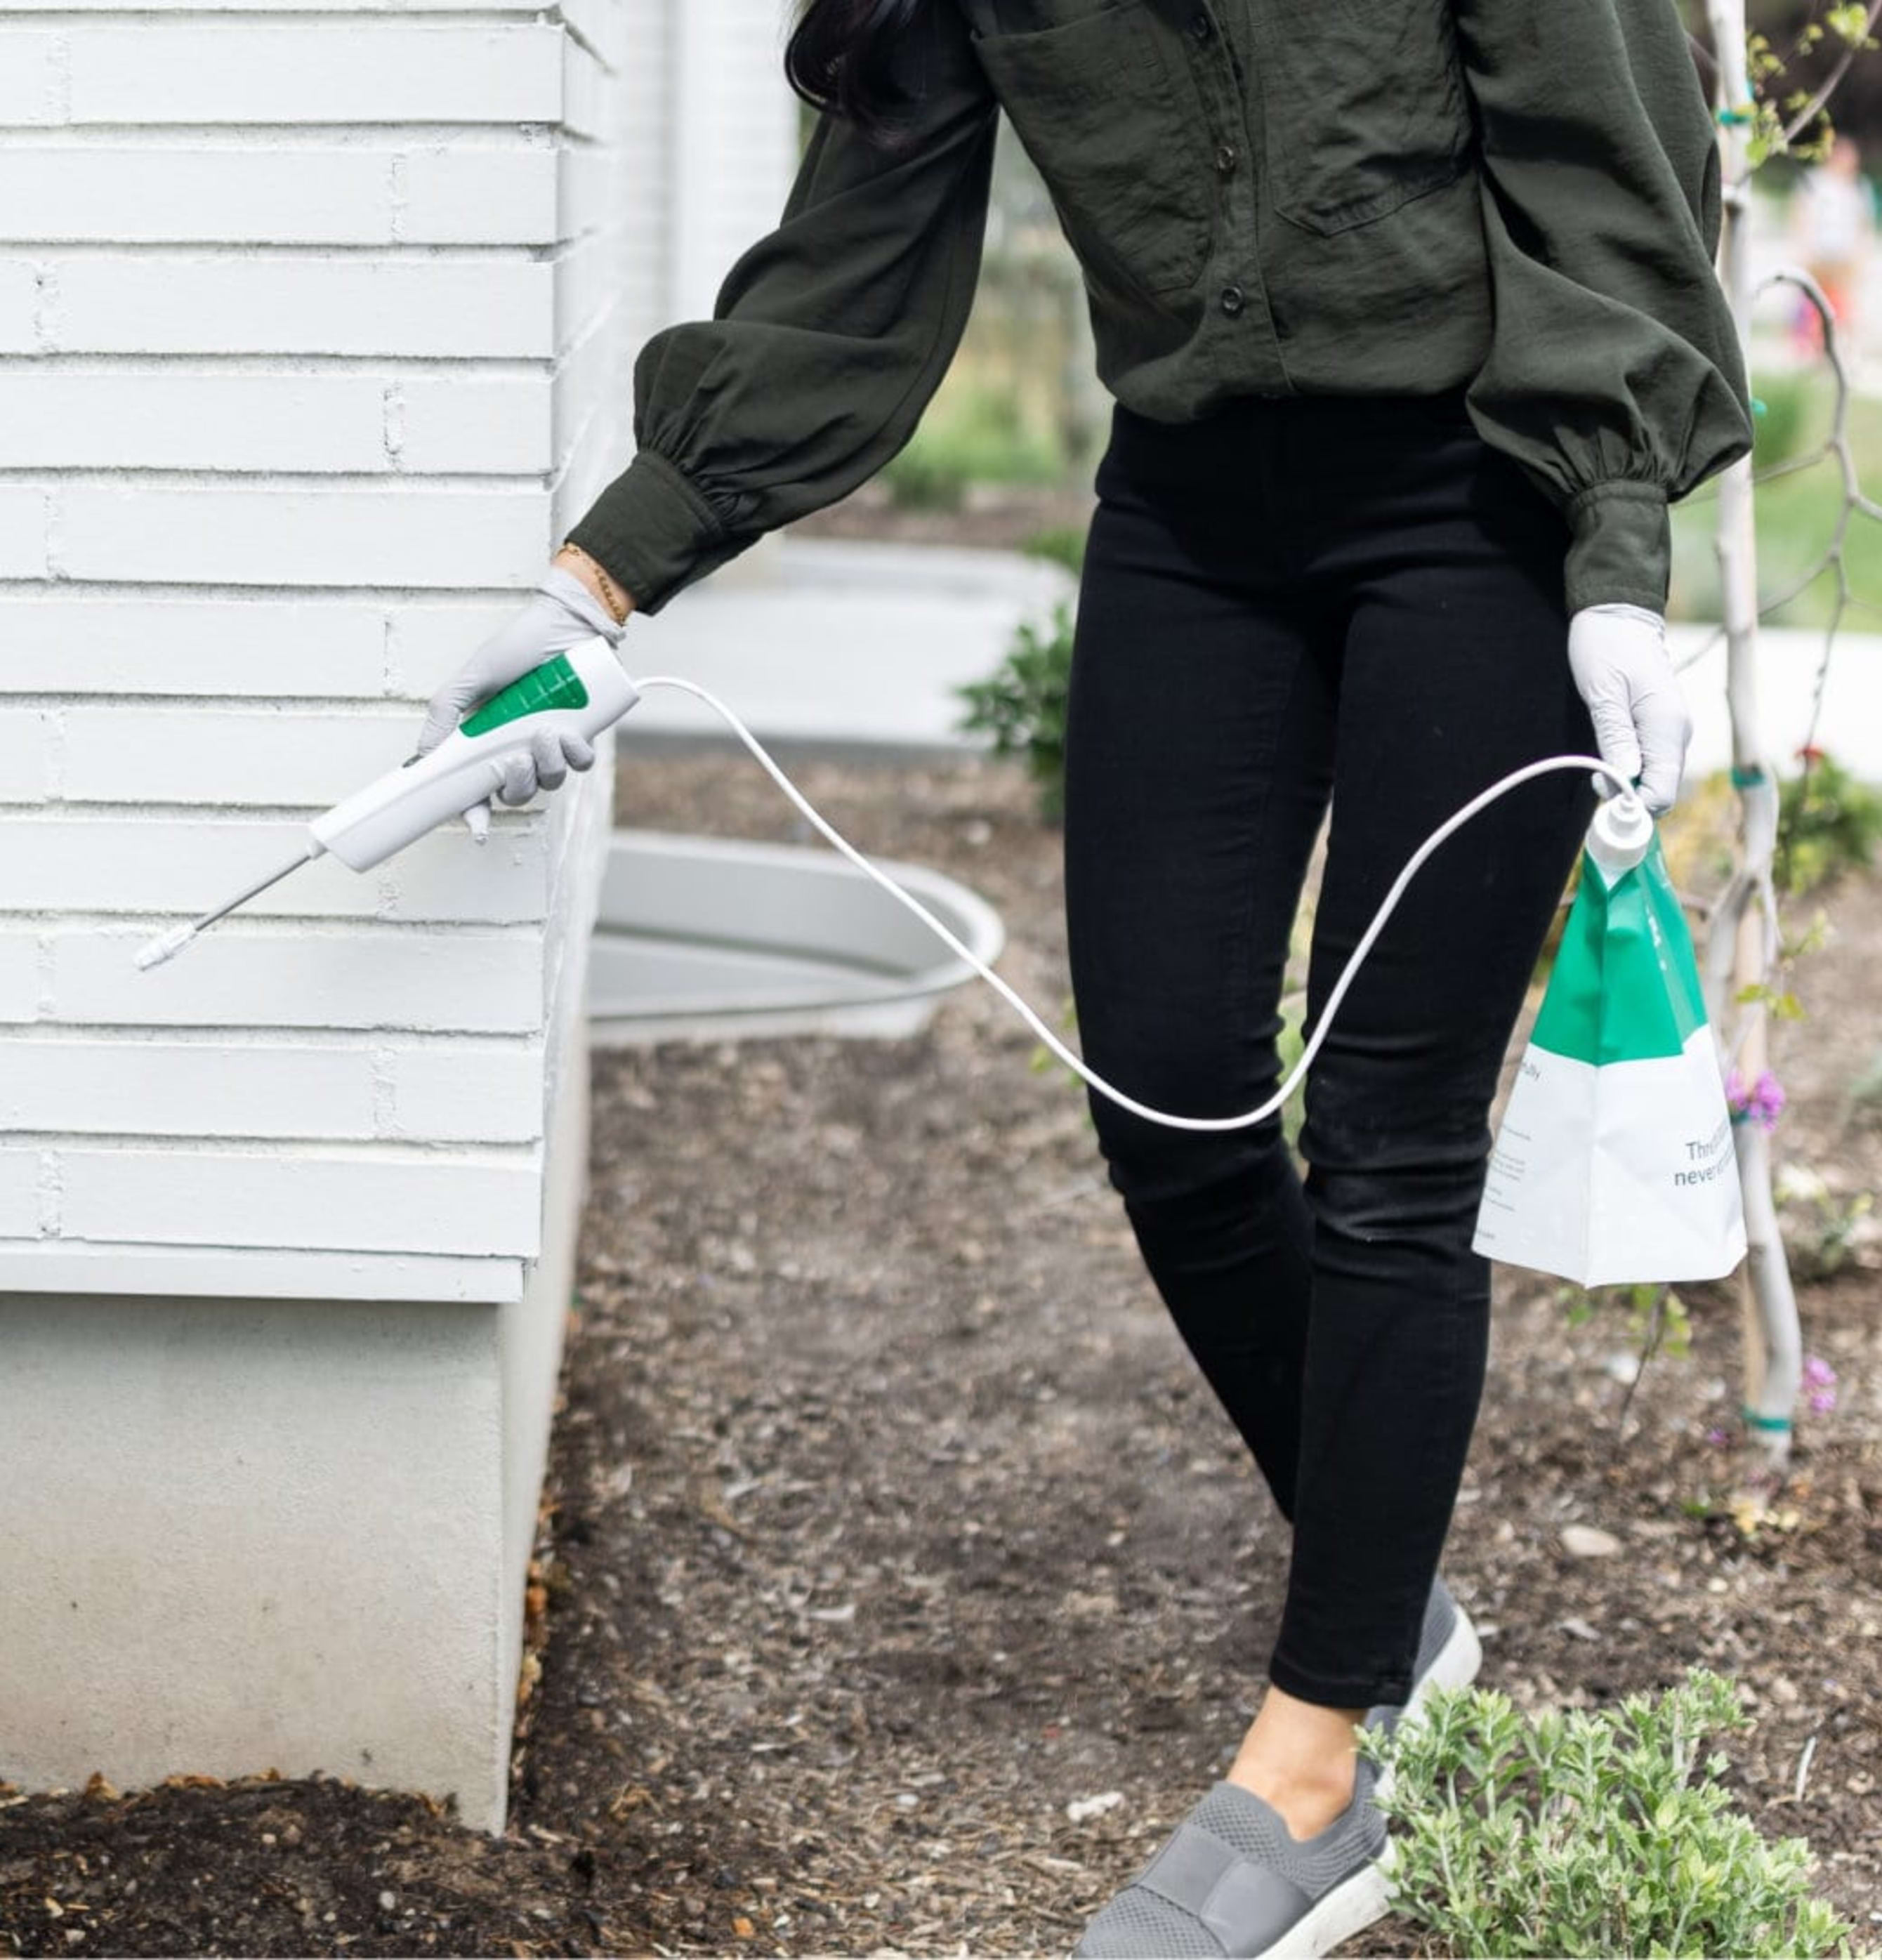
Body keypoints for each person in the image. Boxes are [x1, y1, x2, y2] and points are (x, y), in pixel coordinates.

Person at [416, 0, 1754, 1951]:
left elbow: (1610, 168)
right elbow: (861, 245)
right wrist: (598, 583)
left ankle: (1318, 1766)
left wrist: (1615, 547)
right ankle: (1387, 1607)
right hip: (1196, 509)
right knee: (1169, 1093)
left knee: (1387, 1133)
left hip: (1479, 489)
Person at [1789, 131, 1877, 362]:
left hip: (1844, 255)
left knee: (1843, 305)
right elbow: (1801, 216)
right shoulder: (1815, 182)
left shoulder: (1858, 188)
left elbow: (1864, 224)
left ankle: (1839, 350)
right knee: (1813, 304)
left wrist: (1863, 255)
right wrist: (1803, 248)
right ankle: (1812, 349)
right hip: (1818, 253)